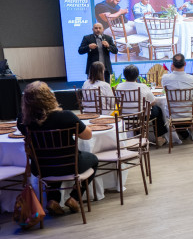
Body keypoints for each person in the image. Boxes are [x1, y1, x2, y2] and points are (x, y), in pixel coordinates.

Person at [17, 81, 98, 216]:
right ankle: (74, 198)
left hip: (41, 168)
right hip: (70, 165)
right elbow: (87, 136)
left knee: (52, 160)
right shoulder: (66, 116)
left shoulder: (23, 120)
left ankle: (53, 200)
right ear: (49, 97)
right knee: (94, 159)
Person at [117, 64, 168, 146]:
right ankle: (159, 138)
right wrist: (147, 106)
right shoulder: (142, 86)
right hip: (141, 116)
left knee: (147, 110)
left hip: (125, 116)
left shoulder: (119, 87)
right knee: (157, 110)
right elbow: (153, 101)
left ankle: (138, 135)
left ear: (125, 75)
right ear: (137, 76)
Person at [162, 54, 193, 129]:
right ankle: (185, 132)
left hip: (172, 115)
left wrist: (172, 71)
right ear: (185, 64)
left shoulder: (165, 78)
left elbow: (165, 92)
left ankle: (182, 134)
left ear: (172, 65)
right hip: (190, 114)